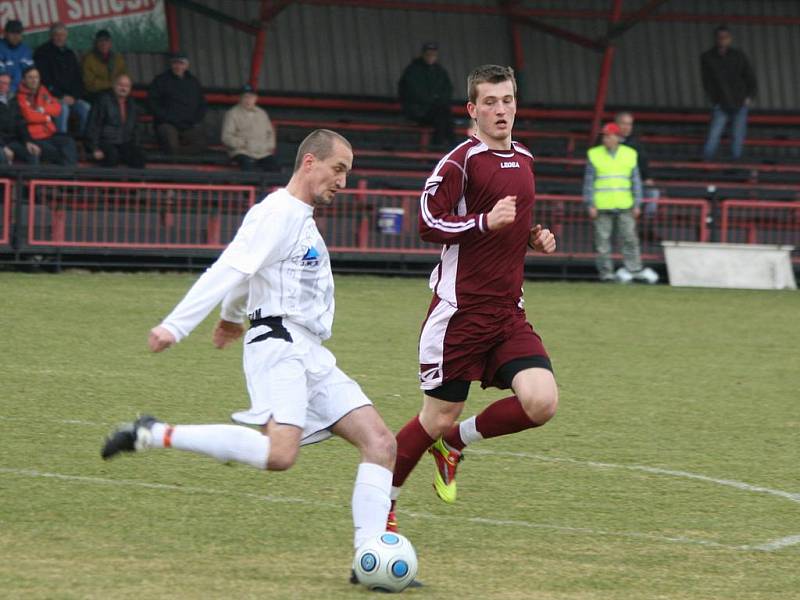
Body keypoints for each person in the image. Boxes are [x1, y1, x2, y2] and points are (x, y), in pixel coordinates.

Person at [100, 129, 397, 577]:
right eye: (339, 169)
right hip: (278, 347)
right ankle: (153, 433)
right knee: (281, 454)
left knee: (381, 443)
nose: (343, 181)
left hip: (309, 351)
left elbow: (248, 274)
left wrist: (231, 315)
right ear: (310, 163)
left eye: (347, 173)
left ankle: (367, 559)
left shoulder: (300, 217)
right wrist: (175, 326)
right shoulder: (277, 212)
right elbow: (230, 266)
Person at [387, 65, 558, 529]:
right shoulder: (460, 161)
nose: (500, 110)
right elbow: (428, 222)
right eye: (489, 102)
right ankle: (382, 505)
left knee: (541, 402)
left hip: (507, 313)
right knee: (435, 417)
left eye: (506, 100)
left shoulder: (524, 158)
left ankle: (456, 444)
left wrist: (533, 237)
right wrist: (484, 222)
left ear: (516, 104)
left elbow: (512, 224)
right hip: (460, 314)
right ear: (472, 109)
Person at [583, 122, 657, 284]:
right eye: (604, 136)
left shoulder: (630, 154)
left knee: (630, 239)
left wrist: (637, 204)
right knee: (602, 242)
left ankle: (634, 270)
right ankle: (606, 274)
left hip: (625, 205)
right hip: (602, 205)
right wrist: (590, 204)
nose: (606, 139)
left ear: (617, 137)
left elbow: (635, 182)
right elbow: (589, 182)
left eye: (609, 136)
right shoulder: (594, 154)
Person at [700, 25, 757, 161]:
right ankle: (706, 165)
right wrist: (715, 99)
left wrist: (749, 97)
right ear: (715, 39)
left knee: (737, 136)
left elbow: (750, 77)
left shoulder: (738, 56)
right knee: (714, 135)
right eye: (720, 37)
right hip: (721, 103)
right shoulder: (708, 57)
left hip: (739, 102)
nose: (722, 40)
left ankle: (735, 167)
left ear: (730, 39)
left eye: (725, 37)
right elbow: (707, 81)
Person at [33, 22, 90, 135]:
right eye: (56, 35)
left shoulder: (69, 54)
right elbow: (43, 80)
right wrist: (60, 96)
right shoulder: (42, 52)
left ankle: (85, 141)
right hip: (51, 97)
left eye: (62, 35)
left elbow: (78, 79)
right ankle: (61, 141)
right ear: (51, 36)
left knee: (86, 108)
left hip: (71, 97)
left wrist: (74, 96)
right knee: (63, 109)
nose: (60, 38)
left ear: (66, 36)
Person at [148, 52, 207, 155]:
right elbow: (152, 102)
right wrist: (166, 118)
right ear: (171, 64)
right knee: (170, 141)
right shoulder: (161, 80)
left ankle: (178, 155)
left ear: (187, 65)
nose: (178, 66)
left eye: (181, 63)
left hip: (187, 125)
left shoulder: (194, 82)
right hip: (167, 124)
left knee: (202, 143)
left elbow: (202, 104)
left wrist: (194, 120)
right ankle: (176, 157)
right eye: (175, 63)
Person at [16, 65, 77, 165]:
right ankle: (63, 176)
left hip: (48, 134)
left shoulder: (43, 91)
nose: (34, 80)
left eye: (36, 77)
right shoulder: (20, 96)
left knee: (69, 142)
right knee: (56, 152)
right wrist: (46, 117)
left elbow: (57, 108)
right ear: (23, 80)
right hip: (34, 137)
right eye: (30, 77)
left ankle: (71, 177)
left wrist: (43, 109)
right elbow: (29, 116)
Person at [398, 42, 455, 147]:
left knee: (443, 115)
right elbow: (412, 93)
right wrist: (433, 100)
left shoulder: (440, 72)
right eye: (428, 54)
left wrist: (437, 100)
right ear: (423, 54)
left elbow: (447, 91)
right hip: (418, 112)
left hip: (435, 112)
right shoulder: (413, 71)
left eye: (433, 54)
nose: (431, 57)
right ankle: (443, 147)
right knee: (444, 116)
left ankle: (441, 147)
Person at [86, 74, 145, 168]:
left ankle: (136, 182)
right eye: (120, 85)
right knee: (112, 156)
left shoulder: (132, 104)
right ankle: (110, 182)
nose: (123, 88)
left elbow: (136, 128)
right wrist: (94, 148)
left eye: (126, 86)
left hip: (125, 141)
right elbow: (94, 125)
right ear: (114, 85)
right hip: (106, 141)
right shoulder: (103, 100)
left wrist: (136, 145)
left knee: (139, 157)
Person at [221, 83, 278, 171]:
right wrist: (244, 144)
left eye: (251, 97)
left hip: (262, 152)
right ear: (240, 98)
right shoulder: (232, 114)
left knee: (275, 166)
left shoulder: (262, 113)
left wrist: (268, 146)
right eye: (245, 97)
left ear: (256, 98)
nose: (248, 100)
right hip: (242, 152)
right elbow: (226, 137)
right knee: (248, 165)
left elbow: (270, 133)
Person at [81, 30, 127, 102]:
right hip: (95, 94)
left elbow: (125, 76)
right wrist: (111, 85)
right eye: (100, 41)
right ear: (96, 44)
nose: (104, 44)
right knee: (106, 98)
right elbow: (89, 84)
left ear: (110, 43)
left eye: (106, 41)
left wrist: (119, 86)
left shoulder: (118, 59)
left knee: (127, 99)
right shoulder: (88, 59)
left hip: (115, 92)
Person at [0, 70, 34, 164]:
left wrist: (28, 141)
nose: (3, 86)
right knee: (2, 155)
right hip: (1, 142)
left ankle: (30, 178)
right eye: (0, 83)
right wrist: (3, 146)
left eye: (6, 83)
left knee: (32, 152)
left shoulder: (13, 100)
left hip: (13, 140)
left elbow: (21, 123)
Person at [0, 20, 34, 92]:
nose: (16, 36)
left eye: (18, 33)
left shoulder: (26, 50)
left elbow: (30, 71)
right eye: (12, 33)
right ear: (5, 34)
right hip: (4, 92)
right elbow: (2, 74)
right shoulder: (1, 47)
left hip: (23, 91)